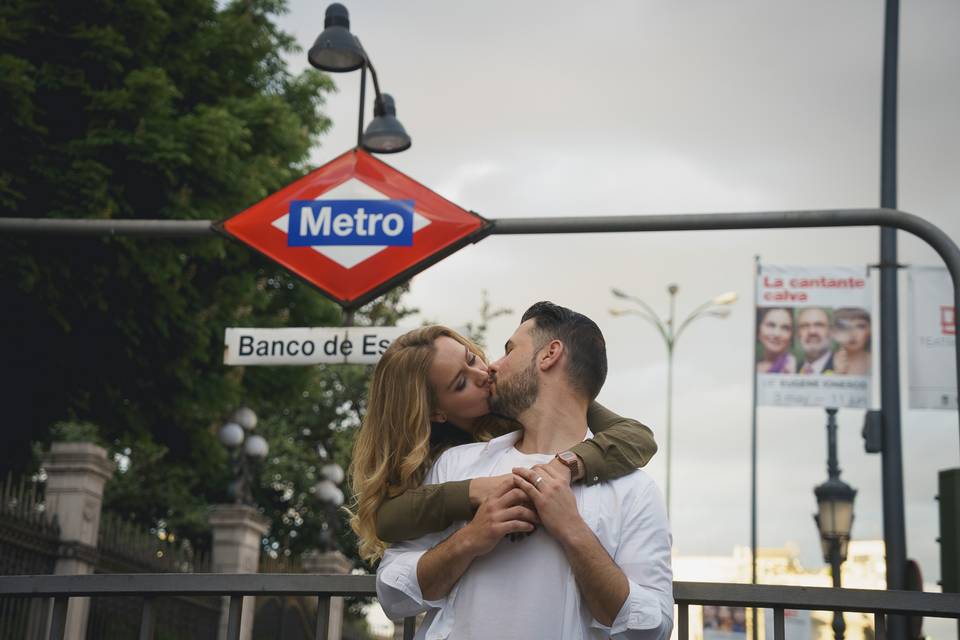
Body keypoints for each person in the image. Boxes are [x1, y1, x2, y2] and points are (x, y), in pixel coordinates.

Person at [377, 302, 673, 640]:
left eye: (507, 351)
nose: (490, 368)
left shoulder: (634, 489)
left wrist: (572, 527)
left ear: (550, 355)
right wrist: (472, 535)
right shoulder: (454, 463)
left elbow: (653, 627)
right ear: (437, 412)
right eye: (460, 383)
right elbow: (393, 591)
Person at [349, 326, 658, 564]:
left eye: (471, 358)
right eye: (461, 383)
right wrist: (477, 490)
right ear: (435, 412)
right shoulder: (436, 459)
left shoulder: (519, 399)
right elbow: (386, 518)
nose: (483, 374)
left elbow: (636, 437)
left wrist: (562, 467)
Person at [756, 307, 797, 374]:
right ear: (759, 330)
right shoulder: (751, 365)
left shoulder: (794, 368)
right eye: (771, 325)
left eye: (785, 328)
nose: (777, 334)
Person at [832, 307, 871, 375]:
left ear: (870, 331)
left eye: (860, 326)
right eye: (844, 327)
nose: (852, 334)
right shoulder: (824, 363)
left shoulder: (879, 361)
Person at [796, 307, 835, 374]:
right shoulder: (793, 370)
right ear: (797, 334)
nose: (812, 331)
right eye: (805, 326)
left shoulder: (841, 368)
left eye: (819, 325)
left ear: (830, 332)